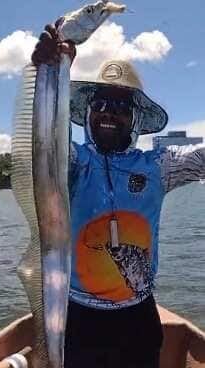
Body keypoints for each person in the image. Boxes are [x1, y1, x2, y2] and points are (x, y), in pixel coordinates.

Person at [33, 23, 205, 368]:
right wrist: (48, 72)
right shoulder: (73, 163)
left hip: (137, 320)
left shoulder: (159, 166)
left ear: (136, 119)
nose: (108, 112)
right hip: (78, 316)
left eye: (121, 107)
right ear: (88, 115)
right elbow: (45, 143)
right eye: (100, 105)